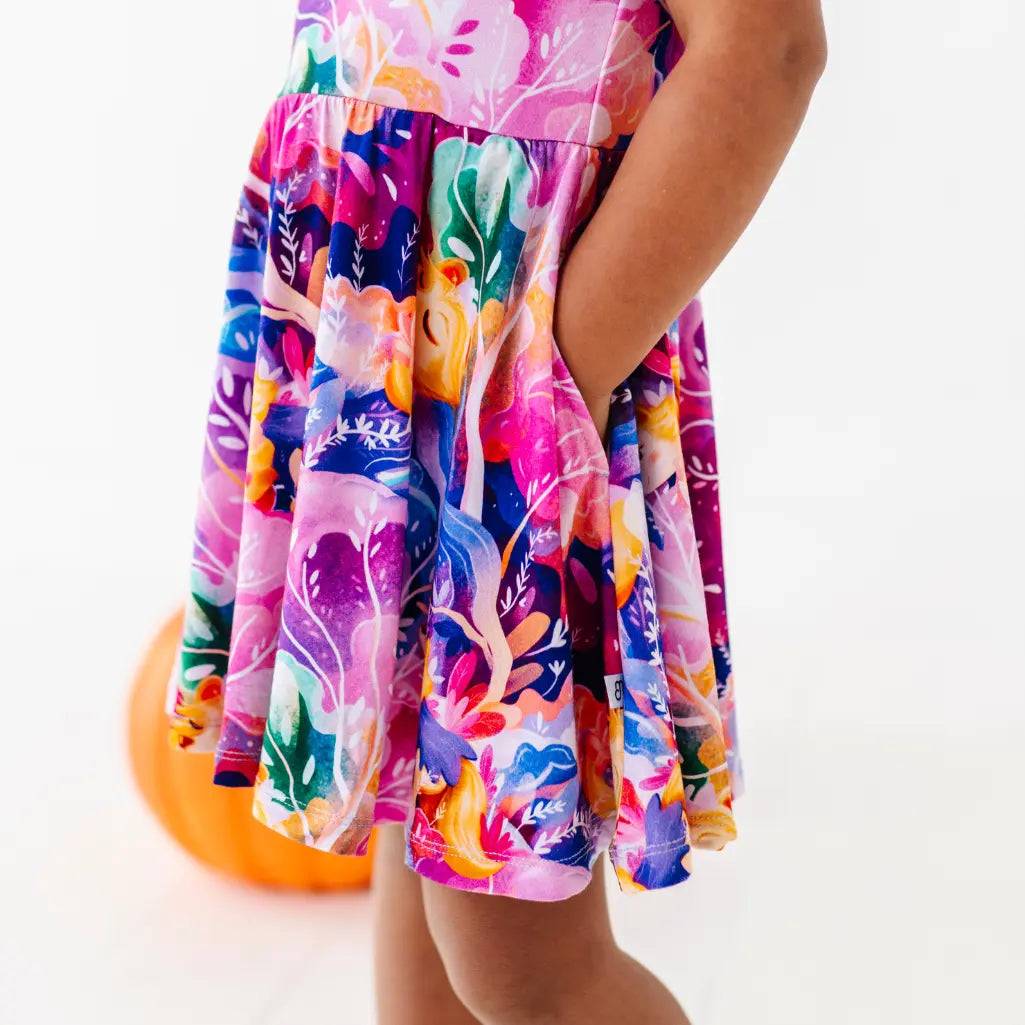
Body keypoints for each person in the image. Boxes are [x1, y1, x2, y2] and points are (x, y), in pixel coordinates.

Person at [166, 0, 825, 1022]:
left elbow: (767, 45)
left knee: (526, 969)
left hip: (506, 343)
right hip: (375, 320)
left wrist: (554, 374)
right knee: (426, 851)